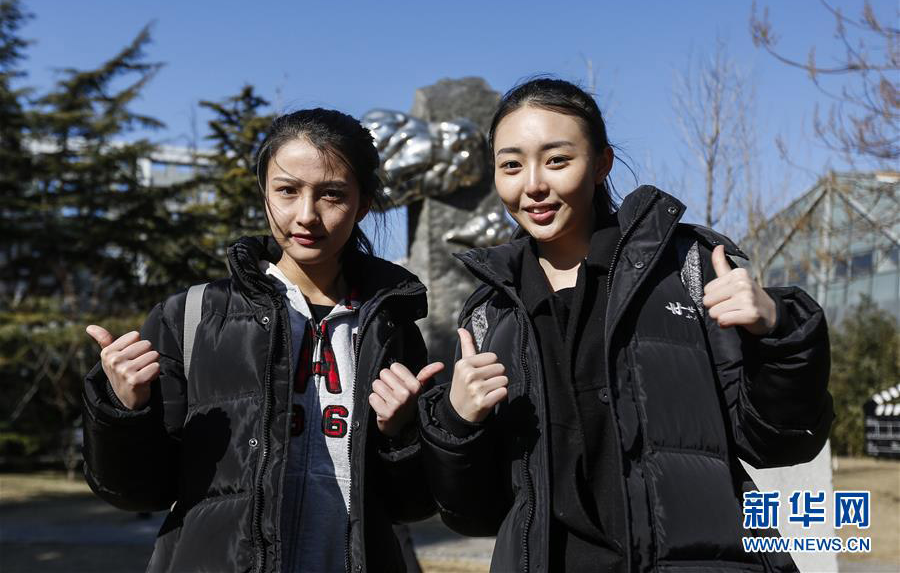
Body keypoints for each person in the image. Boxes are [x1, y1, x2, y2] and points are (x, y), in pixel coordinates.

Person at [418, 78, 832, 572]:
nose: (532, 185)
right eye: (511, 165)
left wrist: (777, 334)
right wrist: (457, 423)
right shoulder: (491, 313)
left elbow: (781, 442)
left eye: (556, 160)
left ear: (601, 164)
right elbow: (478, 513)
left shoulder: (688, 269)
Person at [82, 108, 439, 573]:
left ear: (364, 204)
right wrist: (124, 408)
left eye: (332, 194)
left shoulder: (392, 329)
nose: (306, 215)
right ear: (264, 192)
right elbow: (135, 491)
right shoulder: (190, 317)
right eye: (287, 191)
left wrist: (401, 435)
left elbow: (412, 505)